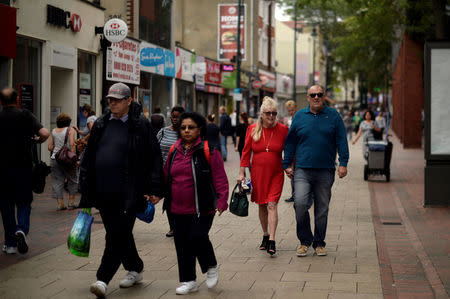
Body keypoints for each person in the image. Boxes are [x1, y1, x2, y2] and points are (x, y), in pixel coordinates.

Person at [78, 82, 164, 297]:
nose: (112, 102)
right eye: (110, 99)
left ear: (128, 101)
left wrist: (155, 188)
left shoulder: (140, 125)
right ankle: (135, 267)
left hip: (130, 191)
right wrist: (85, 185)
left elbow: (154, 157)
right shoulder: (101, 123)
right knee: (119, 233)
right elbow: (89, 155)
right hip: (103, 191)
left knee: (116, 235)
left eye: (117, 99)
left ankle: (102, 279)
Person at [162, 112, 228, 295]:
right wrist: (157, 194)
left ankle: (210, 265)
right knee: (182, 244)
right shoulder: (174, 150)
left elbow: (220, 178)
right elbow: (166, 176)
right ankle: (188, 281)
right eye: (183, 128)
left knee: (198, 237)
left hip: (203, 207)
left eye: (191, 127)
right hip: (177, 208)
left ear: (199, 129)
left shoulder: (209, 150)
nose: (186, 131)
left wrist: (222, 200)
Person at [283, 85, 349, 257]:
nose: (316, 97)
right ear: (308, 97)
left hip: (325, 170)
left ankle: (319, 243)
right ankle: (305, 240)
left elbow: (342, 139)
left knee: (322, 209)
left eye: (320, 94)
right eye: (313, 95)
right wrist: (287, 163)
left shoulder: (333, 115)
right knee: (300, 204)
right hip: (302, 170)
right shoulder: (299, 116)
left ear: (324, 96)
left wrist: (343, 162)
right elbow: (290, 142)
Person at [0, 87, 49, 254]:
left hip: (2, 171)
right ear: (17, 99)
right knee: (23, 203)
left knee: (6, 206)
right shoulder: (25, 115)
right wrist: (38, 139)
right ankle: (21, 229)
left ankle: (10, 244)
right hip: (23, 169)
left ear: (1, 102)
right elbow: (45, 133)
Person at [237, 97, 289, 256]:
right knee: (261, 205)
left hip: (276, 173)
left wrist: (290, 166)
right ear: (261, 114)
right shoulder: (252, 128)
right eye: (268, 113)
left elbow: (290, 150)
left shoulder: (283, 129)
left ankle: (272, 240)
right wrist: (241, 172)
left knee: (272, 204)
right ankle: (265, 234)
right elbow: (245, 152)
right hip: (258, 173)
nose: (271, 116)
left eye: (274, 113)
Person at [157, 105, 185, 238]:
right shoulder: (163, 132)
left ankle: (180, 225)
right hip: (165, 173)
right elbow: (155, 150)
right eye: (173, 116)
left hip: (181, 174)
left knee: (179, 200)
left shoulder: (185, 133)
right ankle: (172, 227)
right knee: (168, 201)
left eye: (178, 117)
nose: (175, 119)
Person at [47, 113, 78, 210]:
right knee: (72, 180)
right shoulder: (70, 130)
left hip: (55, 159)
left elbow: (49, 147)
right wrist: (74, 158)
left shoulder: (53, 131)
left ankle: (60, 204)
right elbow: (72, 144)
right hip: (68, 159)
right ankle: (71, 202)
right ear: (68, 122)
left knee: (57, 181)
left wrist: (58, 148)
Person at [284, 100, 298, 203]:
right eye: (289, 111)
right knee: (293, 174)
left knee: (296, 174)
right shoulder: (291, 119)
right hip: (293, 150)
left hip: (297, 151)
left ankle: (297, 195)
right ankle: (294, 195)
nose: (291, 112)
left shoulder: (298, 117)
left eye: (292, 110)